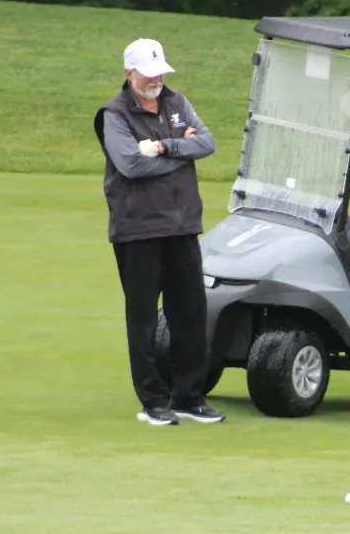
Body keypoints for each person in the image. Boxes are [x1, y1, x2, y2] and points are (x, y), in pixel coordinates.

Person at [92, 38, 225, 427]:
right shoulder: (113, 115)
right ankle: (153, 400)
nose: (157, 80)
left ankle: (189, 396)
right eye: (149, 74)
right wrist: (180, 153)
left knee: (190, 313)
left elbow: (207, 143)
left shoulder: (176, 102)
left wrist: (163, 148)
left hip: (182, 225)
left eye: (161, 72)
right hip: (138, 230)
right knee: (144, 317)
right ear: (129, 74)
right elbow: (131, 165)